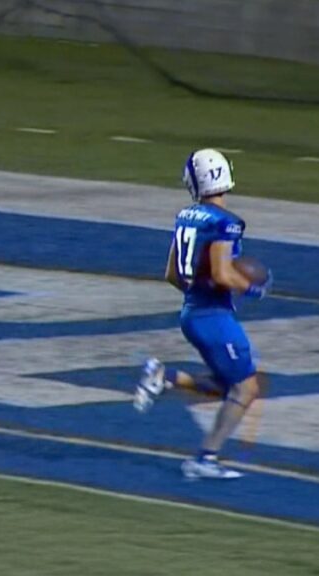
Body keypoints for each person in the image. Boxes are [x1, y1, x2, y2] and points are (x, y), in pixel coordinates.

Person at [133, 149, 272, 480]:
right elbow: (224, 274)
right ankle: (205, 458)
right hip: (212, 316)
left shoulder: (185, 216)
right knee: (245, 389)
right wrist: (251, 288)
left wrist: (199, 293)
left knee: (231, 386)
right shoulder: (226, 224)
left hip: (193, 312)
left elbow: (171, 273)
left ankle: (165, 377)